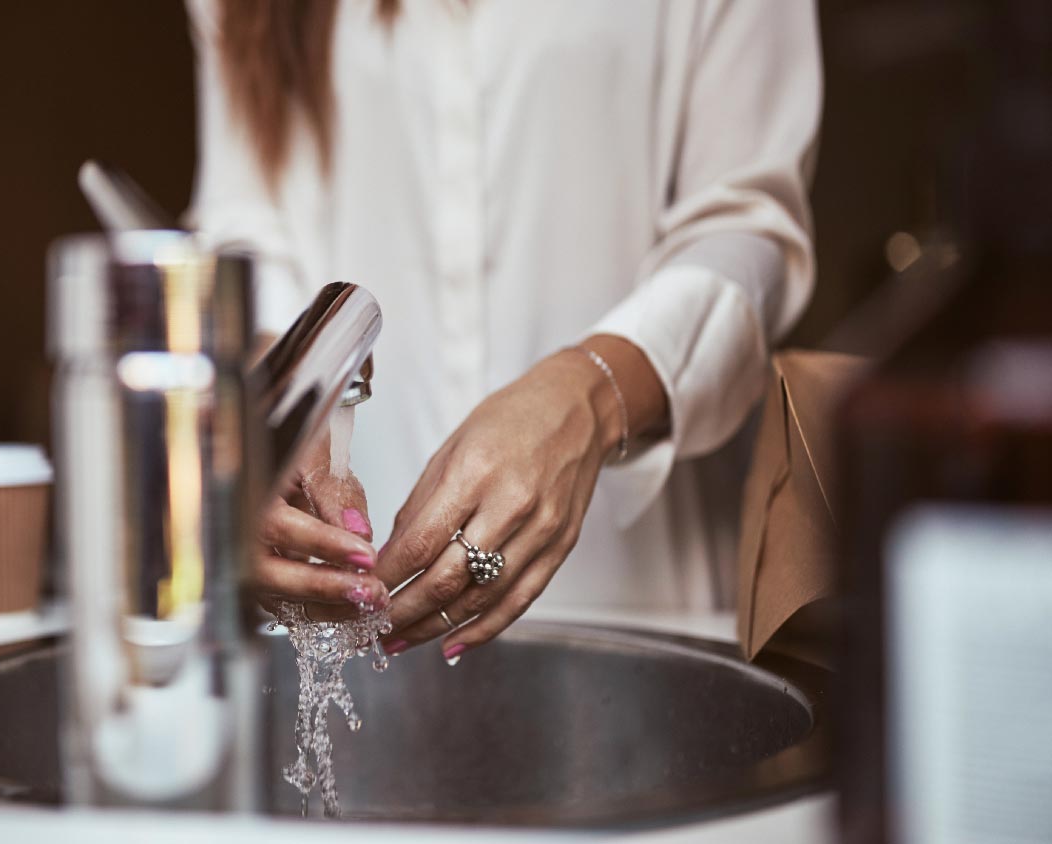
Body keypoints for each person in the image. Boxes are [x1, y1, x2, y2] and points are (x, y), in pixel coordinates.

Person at [186, 0, 821, 663]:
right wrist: (273, 409)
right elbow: (248, 227)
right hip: (354, 596)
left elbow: (748, 226)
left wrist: (591, 395)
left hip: (634, 603)